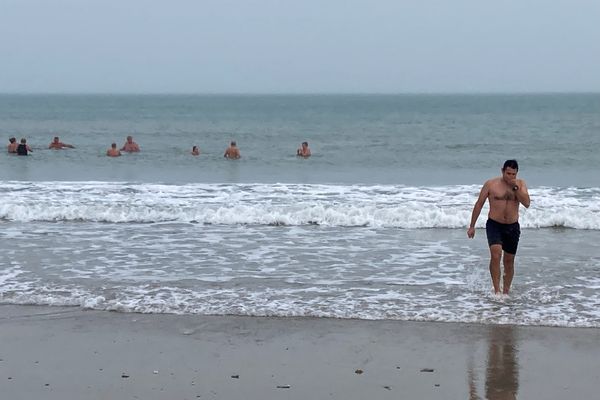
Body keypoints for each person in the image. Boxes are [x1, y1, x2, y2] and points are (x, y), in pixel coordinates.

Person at [467, 159, 530, 294]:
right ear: (502, 171)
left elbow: (527, 203)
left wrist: (515, 187)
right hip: (494, 224)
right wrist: (472, 226)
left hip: (512, 226)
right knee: (496, 254)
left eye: (514, 174)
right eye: (508, 173)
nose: (511, 177)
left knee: (509, 260)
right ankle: (497, 291)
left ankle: (505, 291)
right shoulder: (491, 184)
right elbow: (479, 204)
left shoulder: (520, 184)